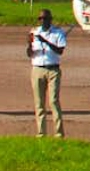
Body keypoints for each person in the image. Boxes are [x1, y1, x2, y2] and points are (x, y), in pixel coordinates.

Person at [26, 8, 67, 137]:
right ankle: (41, 133)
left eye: (46, 19)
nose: (43, 21)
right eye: (41, 19)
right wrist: (29, 45)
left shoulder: (57, 33)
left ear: (50, 20)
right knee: (39, 103)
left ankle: (59, 133)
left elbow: (60, 50)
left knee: (53, 101)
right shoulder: (34, 32)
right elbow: (29, 54)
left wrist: (45, 42)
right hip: (37, 68)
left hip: (53, 69)